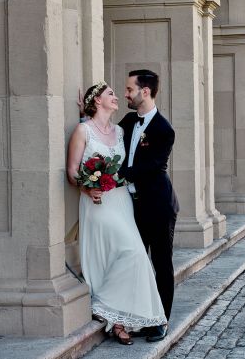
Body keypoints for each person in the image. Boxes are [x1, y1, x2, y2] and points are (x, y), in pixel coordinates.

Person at [66, 82, 167, 346]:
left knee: (130, 256)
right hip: (97, 202)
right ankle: (108, 309)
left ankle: (118, 319)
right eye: (110, 93)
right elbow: (72, 171)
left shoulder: (122, 130)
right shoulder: (83, 130)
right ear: (97, 101)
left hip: (122, 201)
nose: (117, 97)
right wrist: (87, 188)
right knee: (130, 253)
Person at [118, 69, 180, 342]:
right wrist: (88, 115)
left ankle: (161, 320)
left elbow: (153, 166)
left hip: (159, 205)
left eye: (129, 89)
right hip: (132, 205)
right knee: (136, 263)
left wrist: (118, 174)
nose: (125, 94)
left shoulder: (164, 130)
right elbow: (108, 137)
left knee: (161, 264)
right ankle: (142, 316)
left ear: (145, 92)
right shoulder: (129, 120)